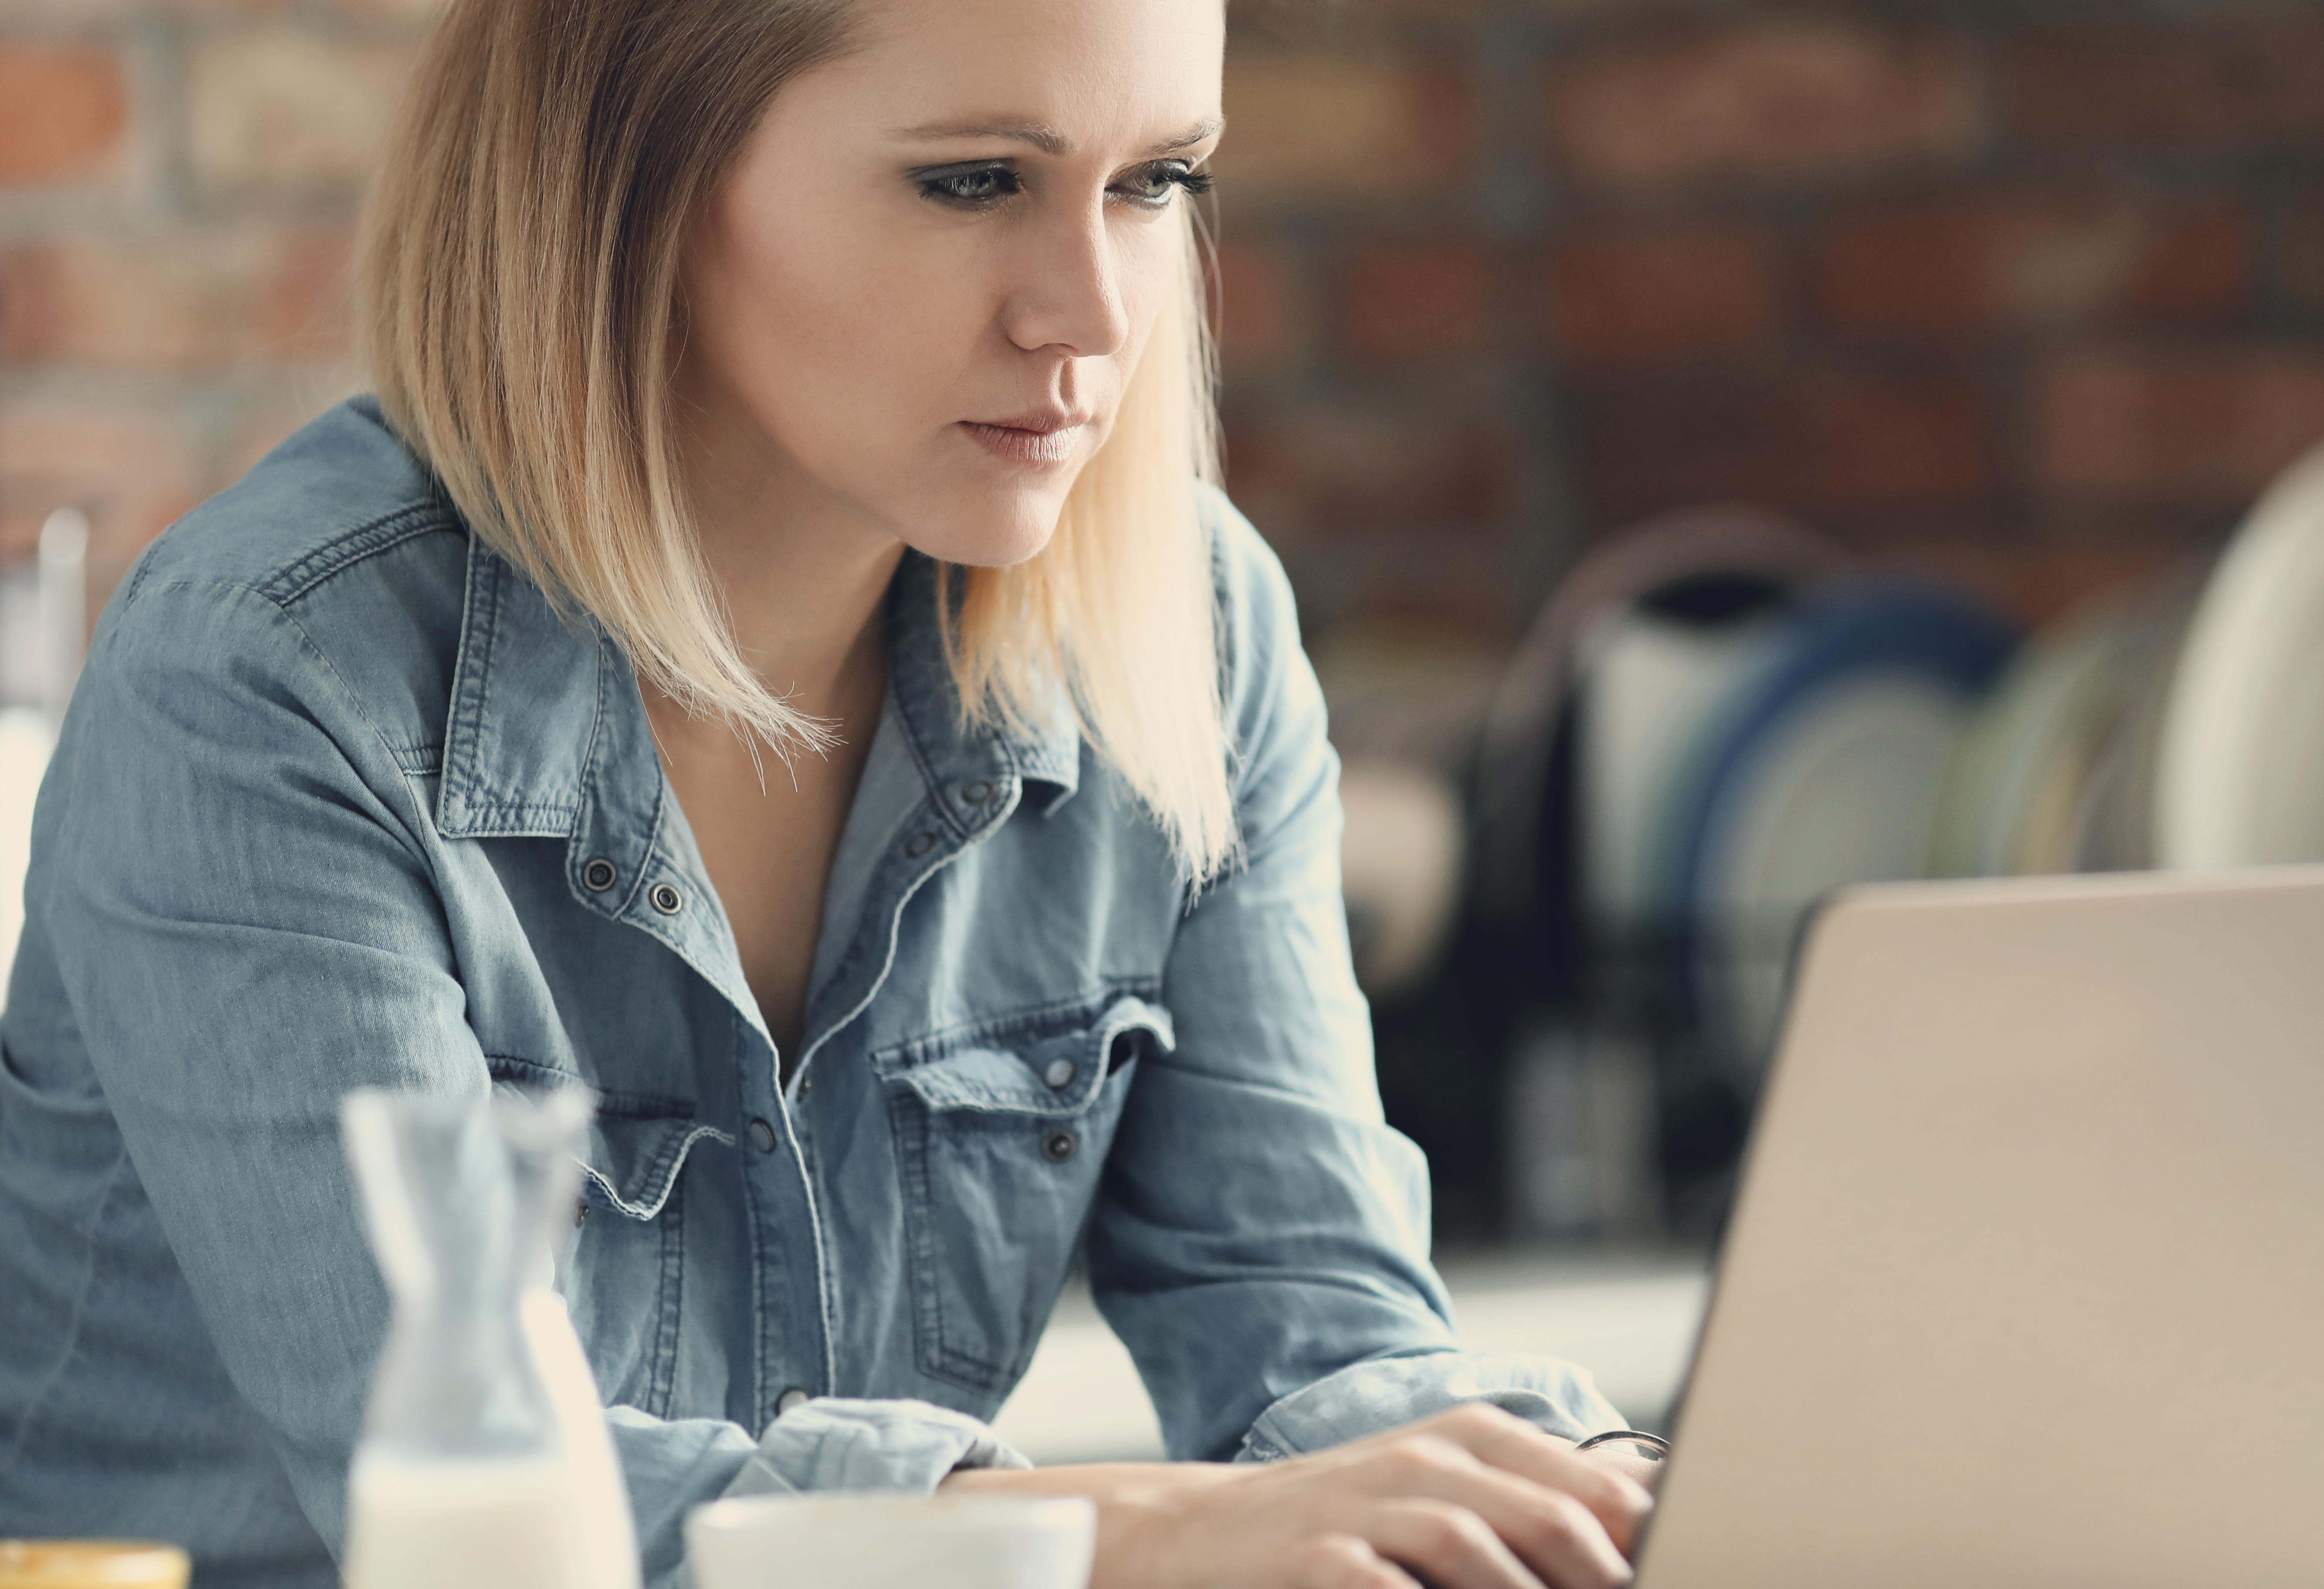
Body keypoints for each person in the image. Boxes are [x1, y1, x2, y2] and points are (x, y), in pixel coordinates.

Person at [0, 0, 1660, 1584]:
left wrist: (1570, 1494)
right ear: (630, 176)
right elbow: (481, 1501)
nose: (1090, 315)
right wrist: (1132, 1541)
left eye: (1153, 184)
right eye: (971, 183)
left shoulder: (1185, 628)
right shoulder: (269, 677)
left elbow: (1319, 1328)